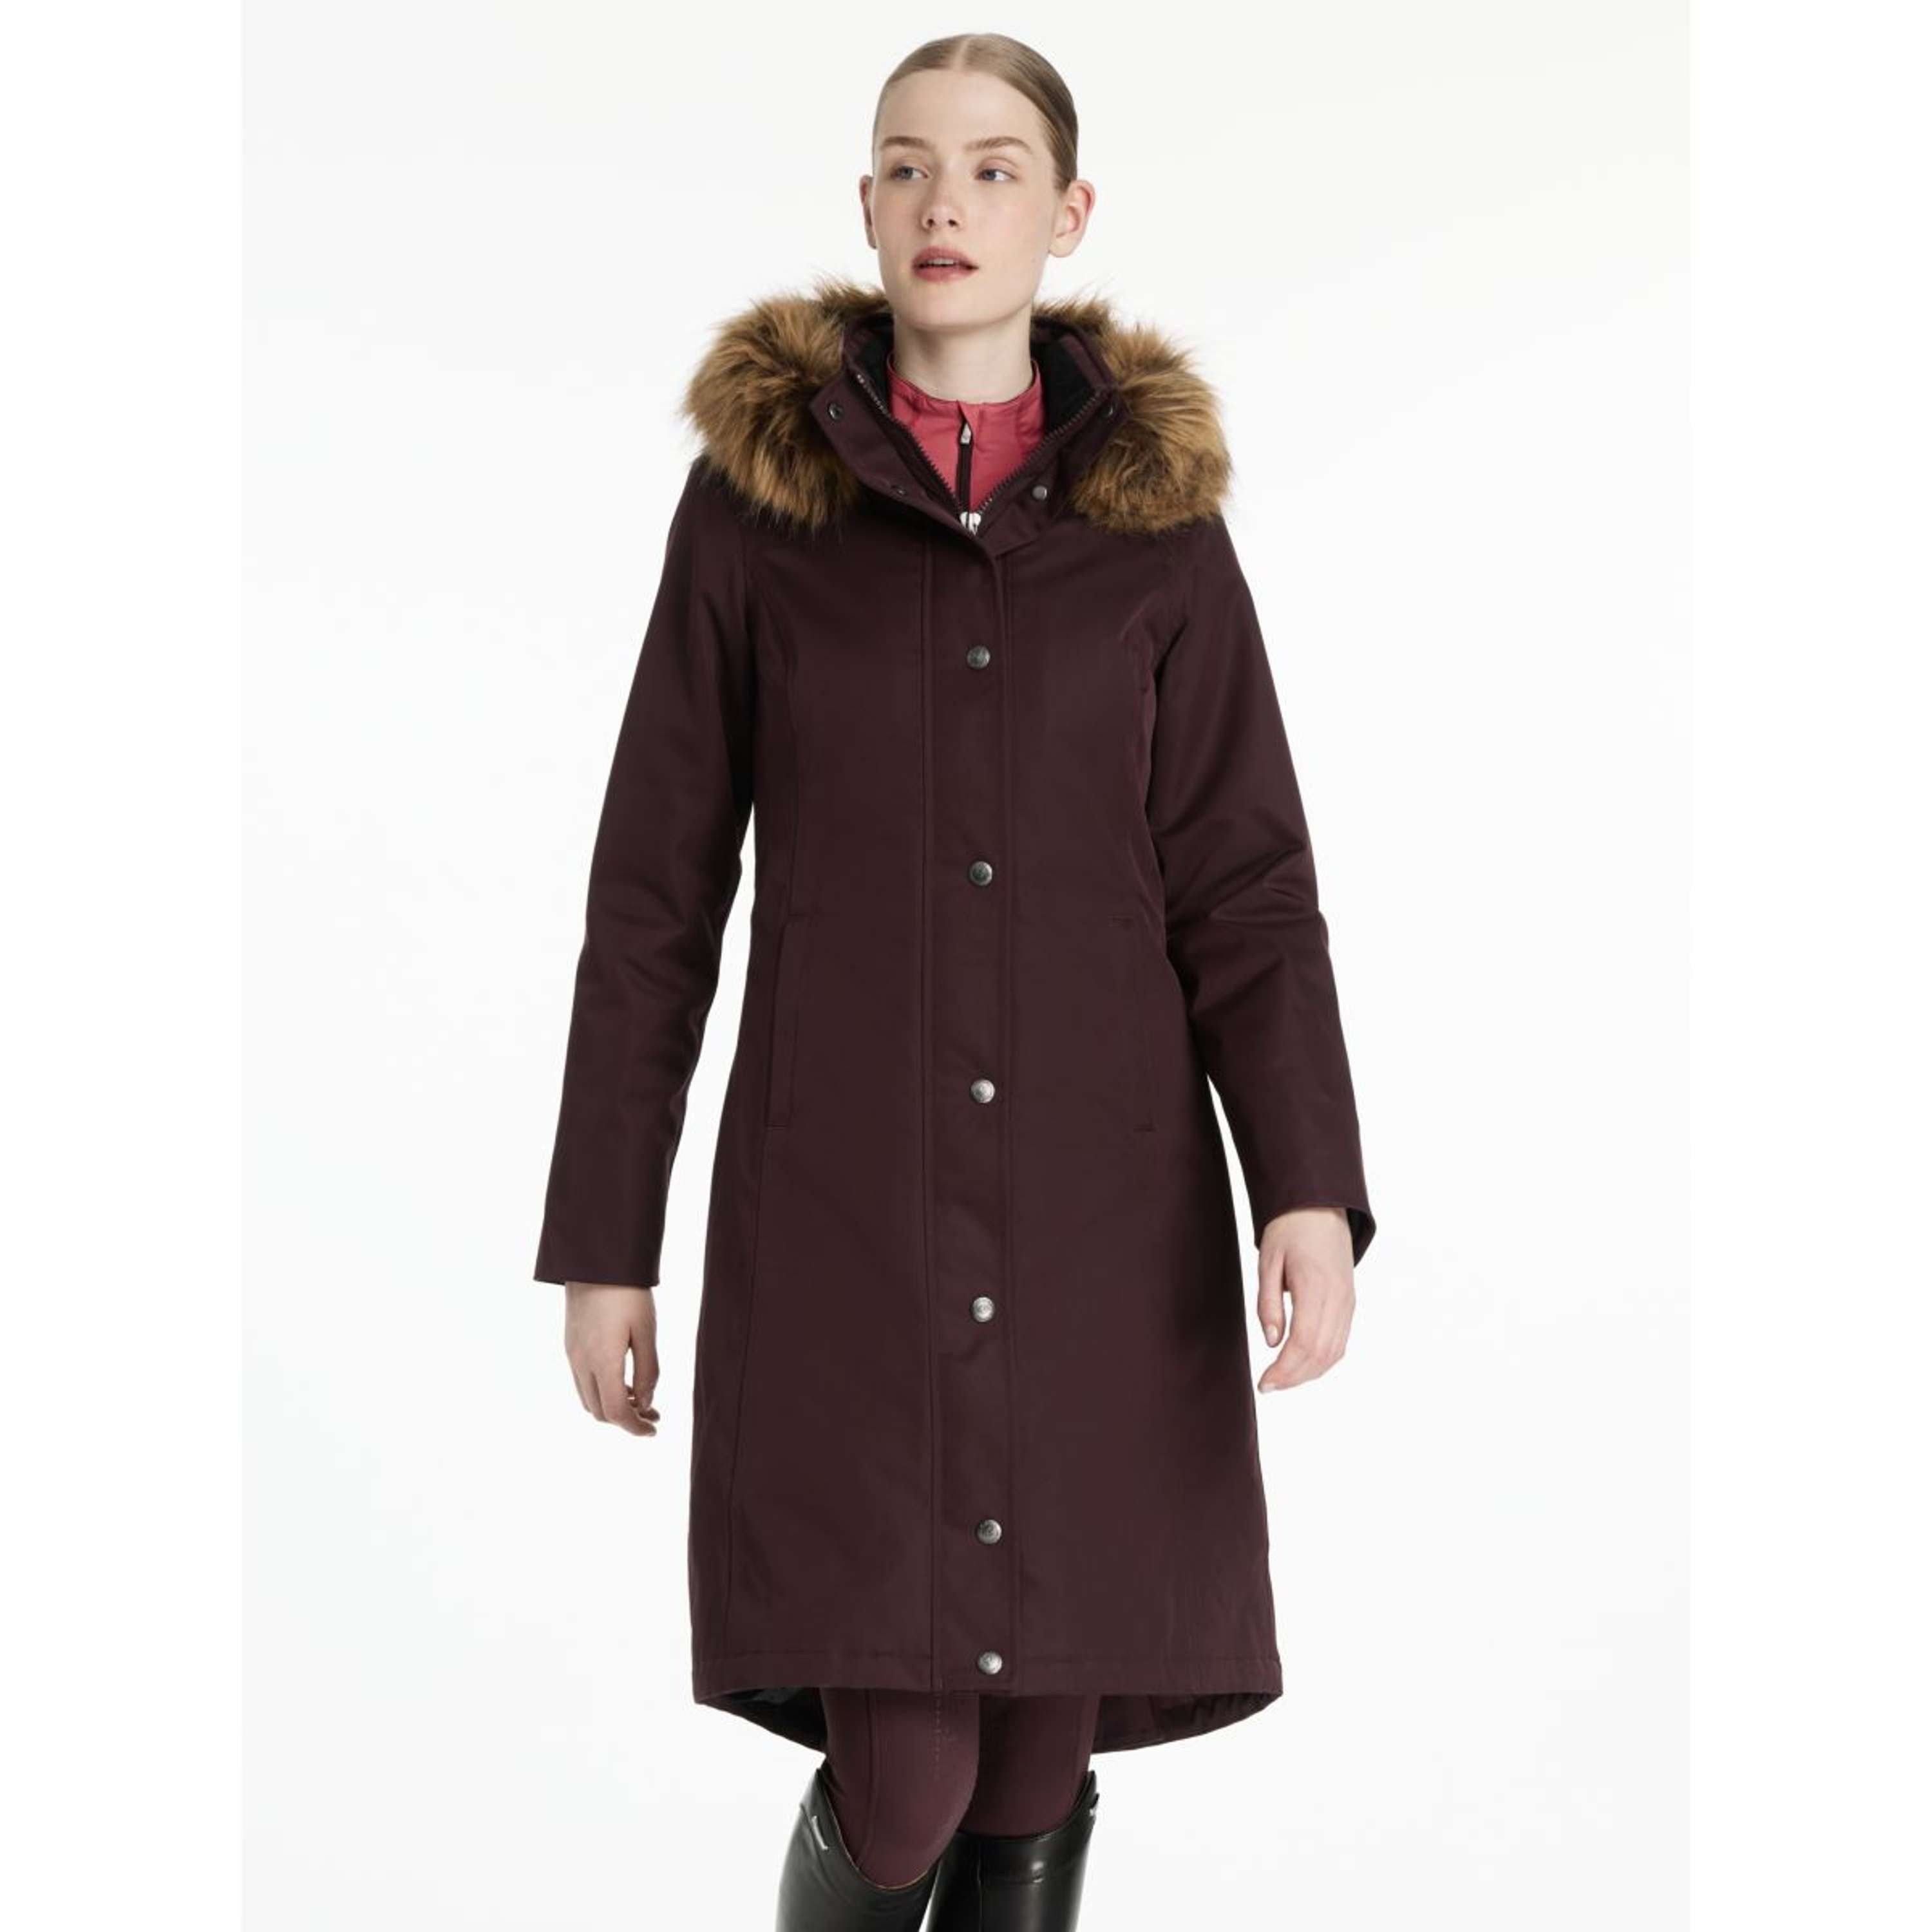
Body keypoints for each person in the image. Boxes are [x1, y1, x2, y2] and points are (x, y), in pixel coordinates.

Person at [532, 33, 1376, 1931]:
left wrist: (1306, 1187)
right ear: (865, 205)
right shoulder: (756, 515)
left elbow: (1248, 886)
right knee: (905, 1772)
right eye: (910, 165)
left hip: (1104, 1226)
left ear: (1068, 217)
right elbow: (654, 894)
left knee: (1032, 1770)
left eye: (996, 169)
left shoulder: (1159, 535)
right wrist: (605, 1242)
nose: (947, 203)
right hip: (848, 1229)